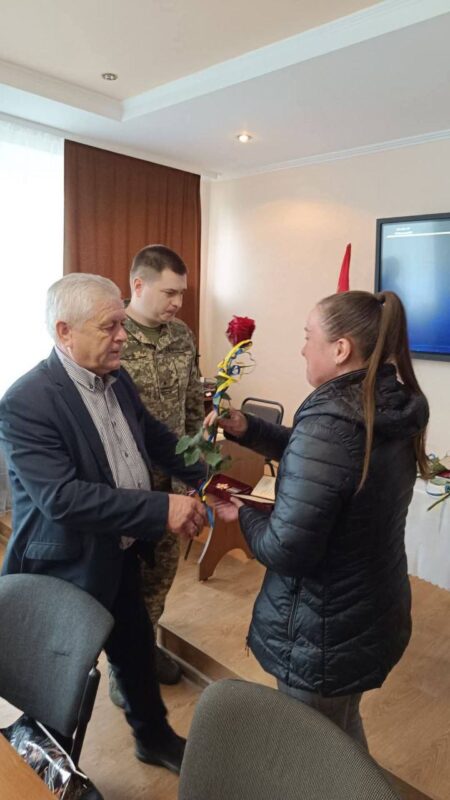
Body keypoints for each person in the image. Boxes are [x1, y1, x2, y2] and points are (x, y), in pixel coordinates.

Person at [0, 273, 208, 775]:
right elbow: (62, 499)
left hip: (119, 550)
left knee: (134, 650)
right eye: (109, 326)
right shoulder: (26, 402)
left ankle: (153, 737)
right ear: (64, 331)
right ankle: (47, 769)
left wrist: (210, 477)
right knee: (57, 678)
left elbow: (156, 438)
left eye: (121, 323)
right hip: (64, 568)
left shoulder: (116, 379)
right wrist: (161, 508)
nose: (122, 336)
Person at [209, 290, 429, 747]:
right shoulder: (385, 403)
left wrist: (242, 514)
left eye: (309, 336)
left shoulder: (332, 423)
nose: (303, 348)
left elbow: (285, 551)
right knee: (340, 732)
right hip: (368, 608)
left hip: (322, 630)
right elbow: (325, 461)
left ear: (341, 348)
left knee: (312, 752)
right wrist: (250, 428)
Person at [111, 244, 204, 694]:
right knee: (122, 576)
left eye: (182, 293)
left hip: (172, 479)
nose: (178, 302)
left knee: (162, 574)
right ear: (138, 285)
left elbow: (192, 406)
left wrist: (194, 477)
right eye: (170, 292)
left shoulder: (182, 335)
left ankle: (141, 649)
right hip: (126, 482)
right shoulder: (111, 334)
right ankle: (122, 666)